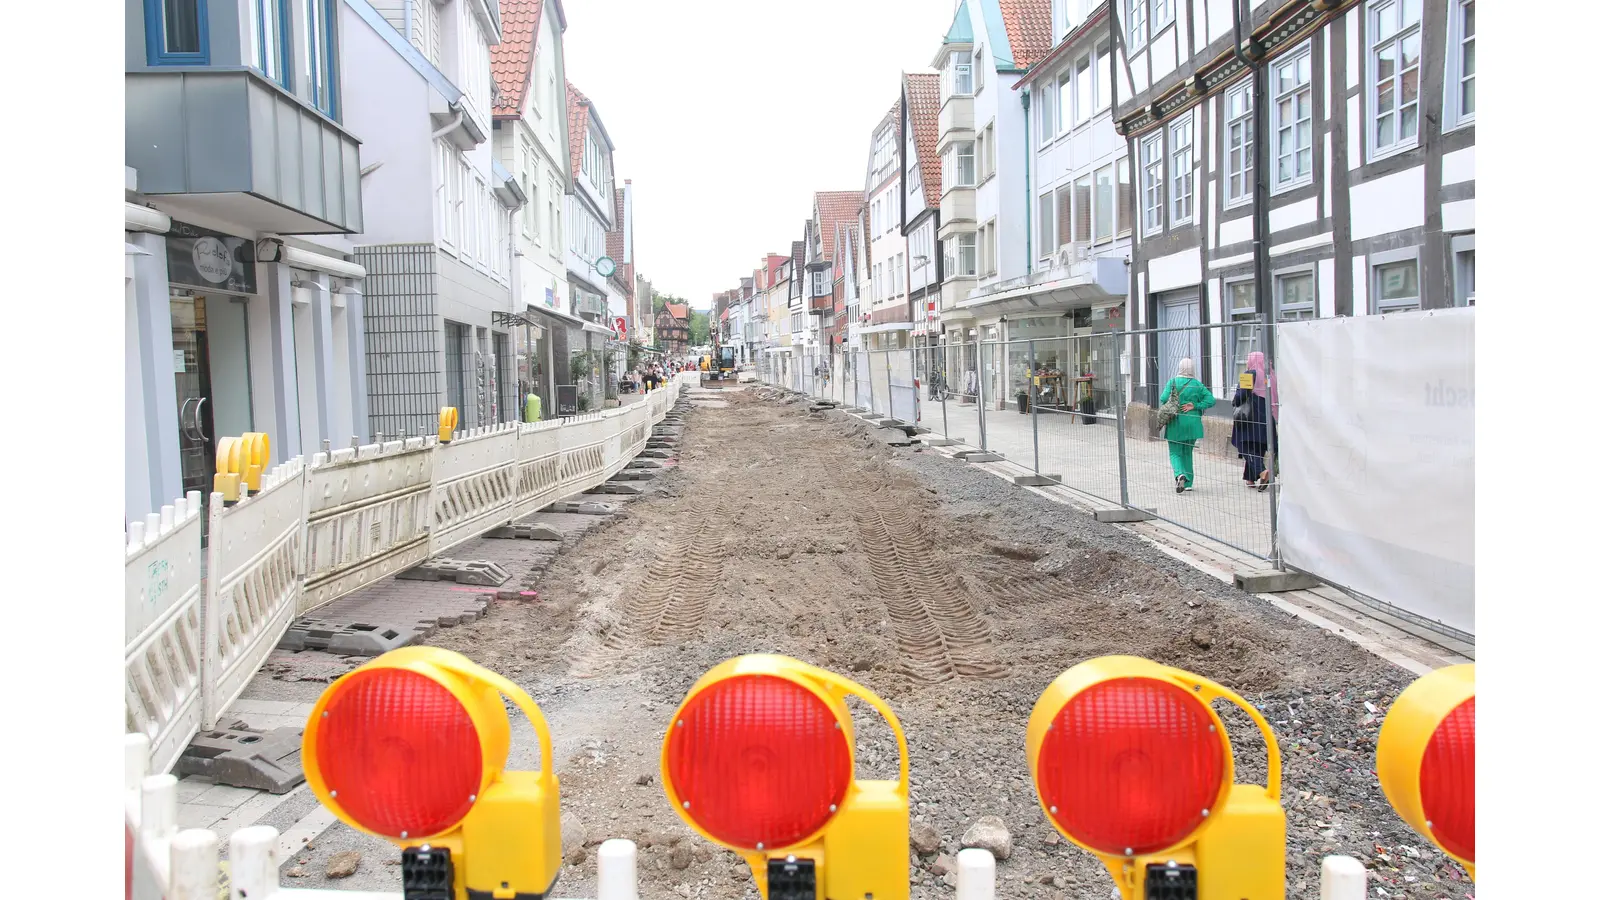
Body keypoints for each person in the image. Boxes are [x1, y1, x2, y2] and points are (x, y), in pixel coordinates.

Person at [1161, 358, 1214, 493]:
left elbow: (1163, 398)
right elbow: (1211, 400)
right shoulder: (1197, 384)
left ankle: (1180, 474)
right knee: (1187, 452)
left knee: (1175, 452)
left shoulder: (1172, 382)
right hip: (1192, 423)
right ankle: (1189, 483)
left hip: (1176, 422)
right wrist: (1195, 405)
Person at [1229, 351, 1277, 491]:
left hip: (1250, 417)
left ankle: (1261, 471)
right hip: (1267, 417)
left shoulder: (1250, 374)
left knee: (1245, 446)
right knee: (1257, 447)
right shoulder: (1271, 376)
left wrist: (1235, 400)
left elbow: (1241, 395)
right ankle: (1250, 478)